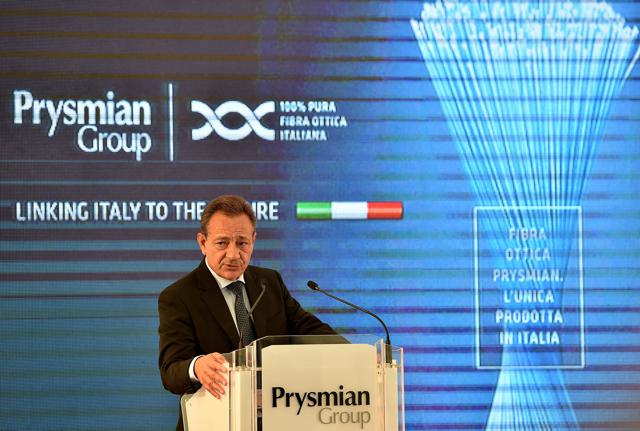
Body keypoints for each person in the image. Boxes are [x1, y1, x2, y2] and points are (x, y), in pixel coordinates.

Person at [158, 195, 335, 430]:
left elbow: (310, 330)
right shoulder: (179, 296)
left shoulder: (268, 282)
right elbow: (171, 371)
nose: (233, 254)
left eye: (242, 243)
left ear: (253, 240)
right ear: (203, 243)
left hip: (277, 419)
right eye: (222, 243)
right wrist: (197, 366)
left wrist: (357, 355)